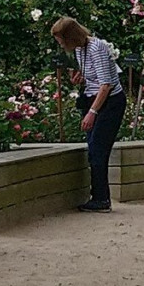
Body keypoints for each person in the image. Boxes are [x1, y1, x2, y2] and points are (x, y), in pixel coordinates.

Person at [51, 16, 127, 212]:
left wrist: (92, 112)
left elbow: (106, 84)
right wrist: (81, 77)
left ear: (70, 37)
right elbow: (96, 76)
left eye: (61, 40)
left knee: (98, 150)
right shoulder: (79, 49)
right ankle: (99, 196)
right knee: (93, 149)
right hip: (93, 98)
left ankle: (102, 199)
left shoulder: (96, 47)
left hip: (109, 103)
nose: (60, 45)